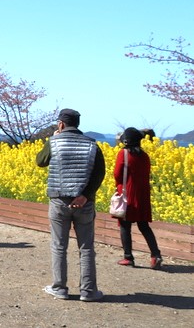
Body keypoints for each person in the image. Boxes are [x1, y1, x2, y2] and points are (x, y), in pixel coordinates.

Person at [36, 109, 106, 302]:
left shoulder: (54, 142)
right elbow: (100, 173)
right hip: (84, 203)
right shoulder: (92, 145)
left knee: (59, 246)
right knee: (86, 248)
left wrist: (51, 139)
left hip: (59, 201)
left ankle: (59, 288)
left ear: (61, 124)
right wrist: (85, 195)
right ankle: (89, 291)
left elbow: (40, 161)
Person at [114, 127, 163, 269]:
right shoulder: (145, 156)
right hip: (142, 194)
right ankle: (156, 255)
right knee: (144, 226)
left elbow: (117, 174)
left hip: (128, 193)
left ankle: (128, 257)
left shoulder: (123, 153)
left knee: (124, 225)